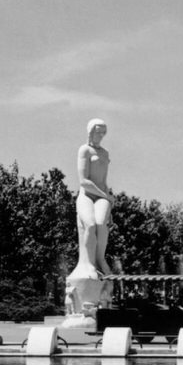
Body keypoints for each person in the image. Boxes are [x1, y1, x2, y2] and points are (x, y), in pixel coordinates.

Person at [75, 119, 114, 279]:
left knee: (100, 224)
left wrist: (108, 201)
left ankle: (100, 259)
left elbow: (103, 180)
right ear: (91, 132)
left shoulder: (105, 153)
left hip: (102, 195)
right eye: (98, 132)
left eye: (103, 133)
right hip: (86, 194)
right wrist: (106, 196)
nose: (101, 135)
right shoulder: (84, 150)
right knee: (90, 225)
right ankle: (88, 263)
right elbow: (83, 181)